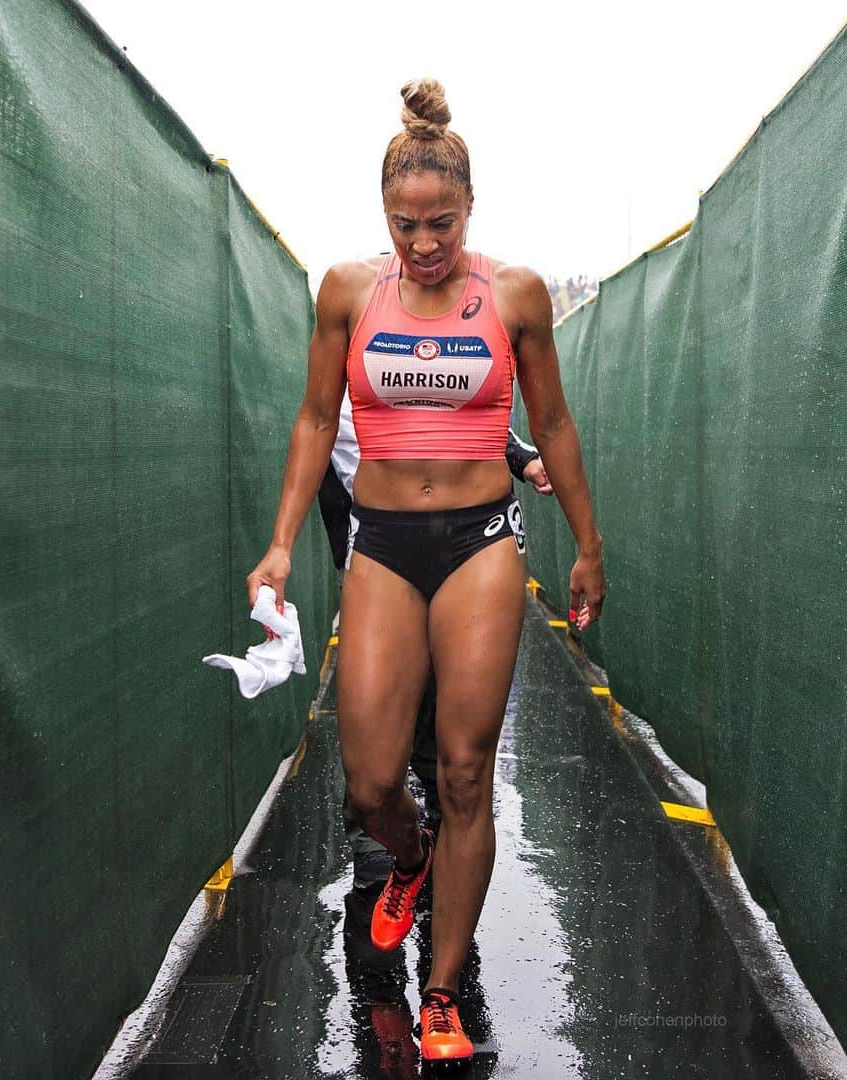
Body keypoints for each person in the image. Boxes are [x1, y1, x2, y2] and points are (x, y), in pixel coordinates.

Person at [247, 77, 605, 1064]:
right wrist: (281, 542)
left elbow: (558, 424)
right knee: (370, 784)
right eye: (405, 225)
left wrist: (588, 542)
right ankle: (407, 864)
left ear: (470, 211)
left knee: (461, 769)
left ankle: (442, 996)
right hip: (381, 546)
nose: (423, 244)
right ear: (384, 217)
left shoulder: (515, 296)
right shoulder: (348, 294)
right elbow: (317, 420)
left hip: (482, 541)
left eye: (440, 224)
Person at [318, 395, 554, 888]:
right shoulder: (334, 386)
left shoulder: (399, 358)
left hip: (448, 549)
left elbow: (466, 414)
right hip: (372, 557)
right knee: (371, 727)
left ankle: (439, 816)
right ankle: (378, 842)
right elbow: (312, 437)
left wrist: (525, 459)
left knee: (440, 696)